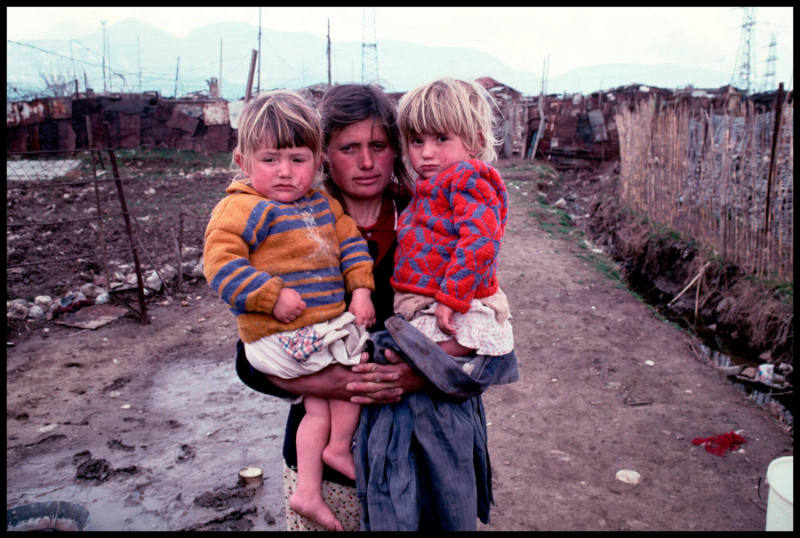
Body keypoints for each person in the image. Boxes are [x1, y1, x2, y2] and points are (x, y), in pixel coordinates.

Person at [234, 83, 519, 532]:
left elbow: (485, 335)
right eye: (349, 148)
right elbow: (250, 355)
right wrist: (338, 382)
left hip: (422, 448)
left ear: (395, 148)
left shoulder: (433, 219)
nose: (366, 163)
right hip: (327, 461)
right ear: (324, 153)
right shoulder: (288, 225)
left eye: (379, 146)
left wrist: (413, 374)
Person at [203, 90, 376, 531]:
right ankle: (327, 464)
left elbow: (352, 246)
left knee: (323, 405)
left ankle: (312, 486)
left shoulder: (320, 204)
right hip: (280, 339)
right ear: (243, 163)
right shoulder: (244, 208)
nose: (284, 172)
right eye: (270, 159)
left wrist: (360, 292)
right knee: (354, 373)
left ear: (316, 161)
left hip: (319, 331)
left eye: (297, 159)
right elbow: (219, 263)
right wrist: (269, 295)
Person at [391, 77, 514, 361]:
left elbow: (480, 241)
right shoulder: (430, 184)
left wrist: (452, 298)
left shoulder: (468, 178)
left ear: (475, 142)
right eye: (416, 141)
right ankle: (413, 354)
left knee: (469, 337)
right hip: (426, 297)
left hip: (459, 299)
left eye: (441, 139)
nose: (426, 153)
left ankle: (419, 358)